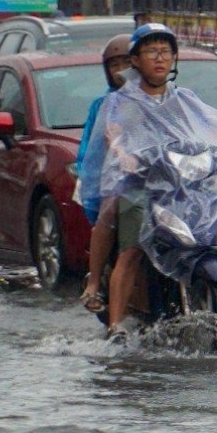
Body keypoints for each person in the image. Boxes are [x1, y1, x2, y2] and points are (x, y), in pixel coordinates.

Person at [90, 24, 217, 329]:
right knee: (131, 250)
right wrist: (123, 155)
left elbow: (211, 129)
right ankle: (115, 328)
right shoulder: (121, 102)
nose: (159, 58)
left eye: (165, 52)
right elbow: (113, 135)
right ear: (136, 60)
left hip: (180, 185)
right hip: (140, 186)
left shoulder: (185, 99)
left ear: (174, 59)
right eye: (151, 51)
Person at [78, 34, 135, 315]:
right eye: (116, 64)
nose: (122, 69)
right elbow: (90, 153)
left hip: (155, 178)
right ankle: (95, 281)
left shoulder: (165, 96)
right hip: (117, 180)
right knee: (108, 213)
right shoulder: (104, 105)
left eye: (127, 62)